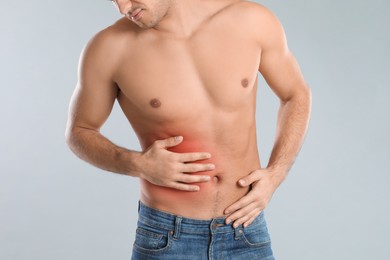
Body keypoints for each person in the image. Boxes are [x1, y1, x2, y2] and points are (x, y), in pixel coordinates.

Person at [65, 0, 311, 259]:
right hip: (167, 236)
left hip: (245, 230)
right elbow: (79, 130)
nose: (123, 6)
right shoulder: (109, 48)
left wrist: (276, 174)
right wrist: (137, 164)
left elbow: (296, 94)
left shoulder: (252, 20)